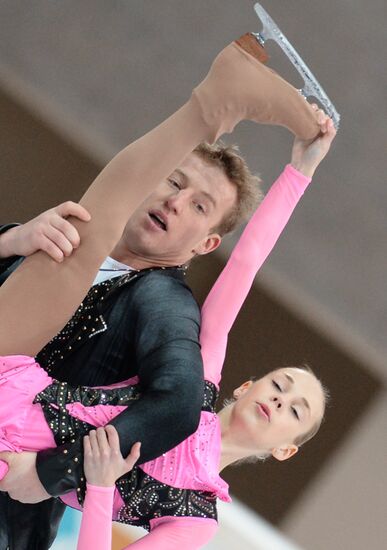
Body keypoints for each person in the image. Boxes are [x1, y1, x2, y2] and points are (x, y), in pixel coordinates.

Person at [0, 32, 321, 549]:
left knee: (83, 237)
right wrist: (301, 169)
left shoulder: (196, 513)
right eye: (280, 386)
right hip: (17, 388)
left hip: (17, 480)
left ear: (287, 449)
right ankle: (214, 103)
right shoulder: (206, 375)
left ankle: (215, 102)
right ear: (247, 385)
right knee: (82, 235)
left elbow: (170, 409)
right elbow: (245, 266)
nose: (279, 401)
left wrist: (76, 478)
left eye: (295, 411)